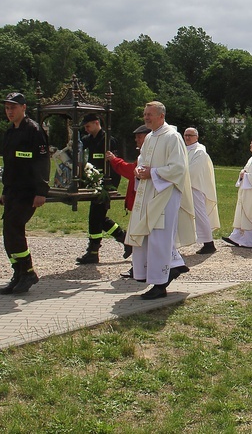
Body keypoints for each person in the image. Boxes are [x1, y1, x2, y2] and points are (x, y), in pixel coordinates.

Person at [125, 102, 196, 300]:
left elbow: (179, 168)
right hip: (149, 192)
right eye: (144, 114)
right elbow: (142, 160)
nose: (146, 117)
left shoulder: (172, 137)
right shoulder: (149, 137)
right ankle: (171, 268)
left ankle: (160, 283)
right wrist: (139, 170)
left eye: (150, 114)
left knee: (159, 238)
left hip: (165, 194)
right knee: (149, 235)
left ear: (161, 116)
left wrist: (153, 173)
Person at [0, 92, 50, 294]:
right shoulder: (10, 131)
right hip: (12, 190)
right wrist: (4, 190)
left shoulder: (34, 131)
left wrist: (41, 191)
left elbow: (42, 162)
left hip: (28, 191)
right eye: (7, 108)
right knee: (9, 233)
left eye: (13, 107)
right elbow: (8, 164)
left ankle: (28, 272)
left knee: (14, 227)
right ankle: (19, 272)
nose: (10, 111)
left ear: (23, 108)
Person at [75, 113, 127, 264]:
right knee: (98, 217)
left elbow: (116, 164)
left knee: (95, 217)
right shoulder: (87, 140)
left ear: (97, 123)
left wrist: (111, 187)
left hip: (106, 184)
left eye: (88, 126)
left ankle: (93, 251)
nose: (86, 129)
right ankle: (124, 239)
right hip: (93, 184)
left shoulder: (109, 140)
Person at [106, 124, 152, 279]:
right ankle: (139, 267)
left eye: (139, 137)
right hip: (141, 201)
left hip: (145, 202)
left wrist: (114, 160)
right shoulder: (144, 154)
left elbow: (130, 171)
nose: (136, 140)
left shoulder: (147, 155)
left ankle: (140, 269)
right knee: (139, 236)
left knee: (140, 236)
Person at [183, 127, 220, 255]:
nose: (187, 137)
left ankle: (209, 243)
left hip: (196, 187)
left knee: (199, 214)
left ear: (196, 137)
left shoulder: (200, 151)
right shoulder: (183, 149)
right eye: (186, 135)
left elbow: (193, 171)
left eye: (190, 135)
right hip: (183, 186)